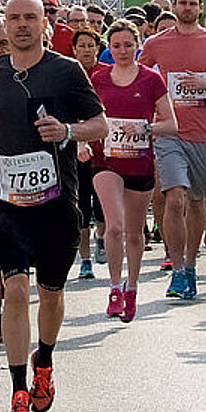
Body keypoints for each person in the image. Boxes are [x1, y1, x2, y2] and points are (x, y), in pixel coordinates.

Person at [0, 0, 107, 412]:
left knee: (51, 293)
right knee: (17, 291)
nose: (21, 25)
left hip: (56, 201)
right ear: (4, 26)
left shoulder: (66, 71)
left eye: (30, 18)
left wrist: (67, 130)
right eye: (14, 19)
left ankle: (44, 356)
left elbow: (101, 124)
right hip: (5, 200)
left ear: (45, 24)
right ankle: (18, 391)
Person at [137, 0, 206, 300]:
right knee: (175, 198)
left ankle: (192, 265)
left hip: (204, 134)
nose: (186, 8)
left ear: (200, 8)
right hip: (169, 133)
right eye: (181, 3)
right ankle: (179, 268)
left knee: (197, 202)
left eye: (192, 4)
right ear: (174, 6)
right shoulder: (156, 44)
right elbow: (140, 82)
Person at [83, 20, 176, 321]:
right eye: (116, 46)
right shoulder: (98, 78)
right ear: (109, 49)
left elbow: (171, 124)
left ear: (138, 46)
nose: (123, 51)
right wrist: (81, 143)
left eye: (128, 45)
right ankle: (113, 286)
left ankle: (131, 287)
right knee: (114, 226)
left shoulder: (151, 79)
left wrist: (146, 127)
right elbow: (82, 116)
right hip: (105, 161)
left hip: (139, 162)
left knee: (135, 234)